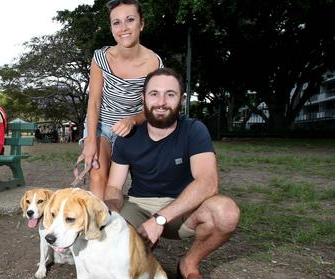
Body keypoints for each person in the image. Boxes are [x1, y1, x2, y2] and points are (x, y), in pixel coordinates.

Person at [104, 68, 240, 279]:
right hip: (139, 205)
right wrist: (111, 216)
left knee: (226, 213)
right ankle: (143, 256)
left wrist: (159, 220)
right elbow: (113, 187)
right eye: (154, 94)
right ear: (143, 98)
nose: (161, 102)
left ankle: (189, 263)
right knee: (114, 241)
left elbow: (208, 183)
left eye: (170, 94)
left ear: (182, 100)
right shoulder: (126, 138)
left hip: (182, 208)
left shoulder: (194, 130)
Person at [81, 0, 164, 200]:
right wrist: (91, 141)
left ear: (141, 24)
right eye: (116, 22)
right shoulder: (100, 57)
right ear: (111, 28)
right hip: (101, 127)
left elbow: (153, 107)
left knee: (136, 186)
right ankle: (97, 230)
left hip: (134, 129)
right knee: (98, 178)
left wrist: (133, 120)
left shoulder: (154, 62)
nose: (123, 28)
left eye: (130, 20)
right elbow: (94, 102)